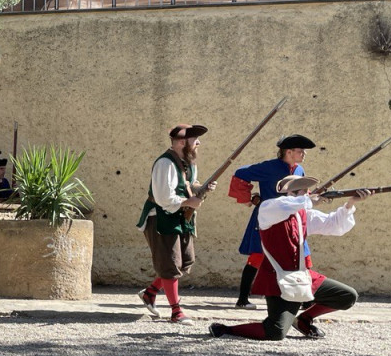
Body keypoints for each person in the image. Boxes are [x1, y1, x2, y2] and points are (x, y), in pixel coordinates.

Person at [210, 175, 371, 341]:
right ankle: (226, 329)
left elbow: (335, 225)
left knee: (347, 296)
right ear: (291, 193)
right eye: (303, 190)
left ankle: (304, 319)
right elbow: (285, 205)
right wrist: (308, 201)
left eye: (307, 190)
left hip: (301, 276)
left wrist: (351, 203)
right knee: (275, 332)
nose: (307, 193)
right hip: (277, 278)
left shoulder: (303, 212)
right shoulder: (269, 207)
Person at [136, 124, 217, 326]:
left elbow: (190, 184)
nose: (199, 143)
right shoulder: (165, 163)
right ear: (182, 142)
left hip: (180, 217)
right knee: (170, 265)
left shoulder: (188, 162)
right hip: (161, 217)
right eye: (194, 139)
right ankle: (176, 311)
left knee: (184, 261)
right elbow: (164, 197)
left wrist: (203, 187)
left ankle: (151, 292)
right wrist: (189, 202)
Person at [228, 134, 316, 309]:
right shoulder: (268, 167)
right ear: (289, 152)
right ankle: (243, 299)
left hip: (291, 220)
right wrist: (246, 198)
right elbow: (240, 174)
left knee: (302, 256)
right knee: (257, 257)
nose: (304, 154)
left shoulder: (299, 170)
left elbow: (301, 195)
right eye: (300, 151)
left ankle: (306, 300)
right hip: (268, 219)